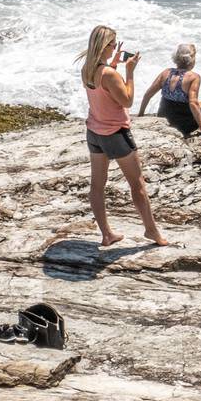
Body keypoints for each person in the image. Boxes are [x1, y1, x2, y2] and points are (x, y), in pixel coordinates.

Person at [76, 25, 167, 248]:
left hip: (94, 132)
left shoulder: (88, 67)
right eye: (112, 44)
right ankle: (151, 231)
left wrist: (115, 63)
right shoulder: (109, 74)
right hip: (116, 134)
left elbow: (104, 88)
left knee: (97, 185)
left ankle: (106, 234)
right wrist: (129, 72)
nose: (115, 47)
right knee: (137, 185)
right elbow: (126, 100)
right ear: (102, 46)